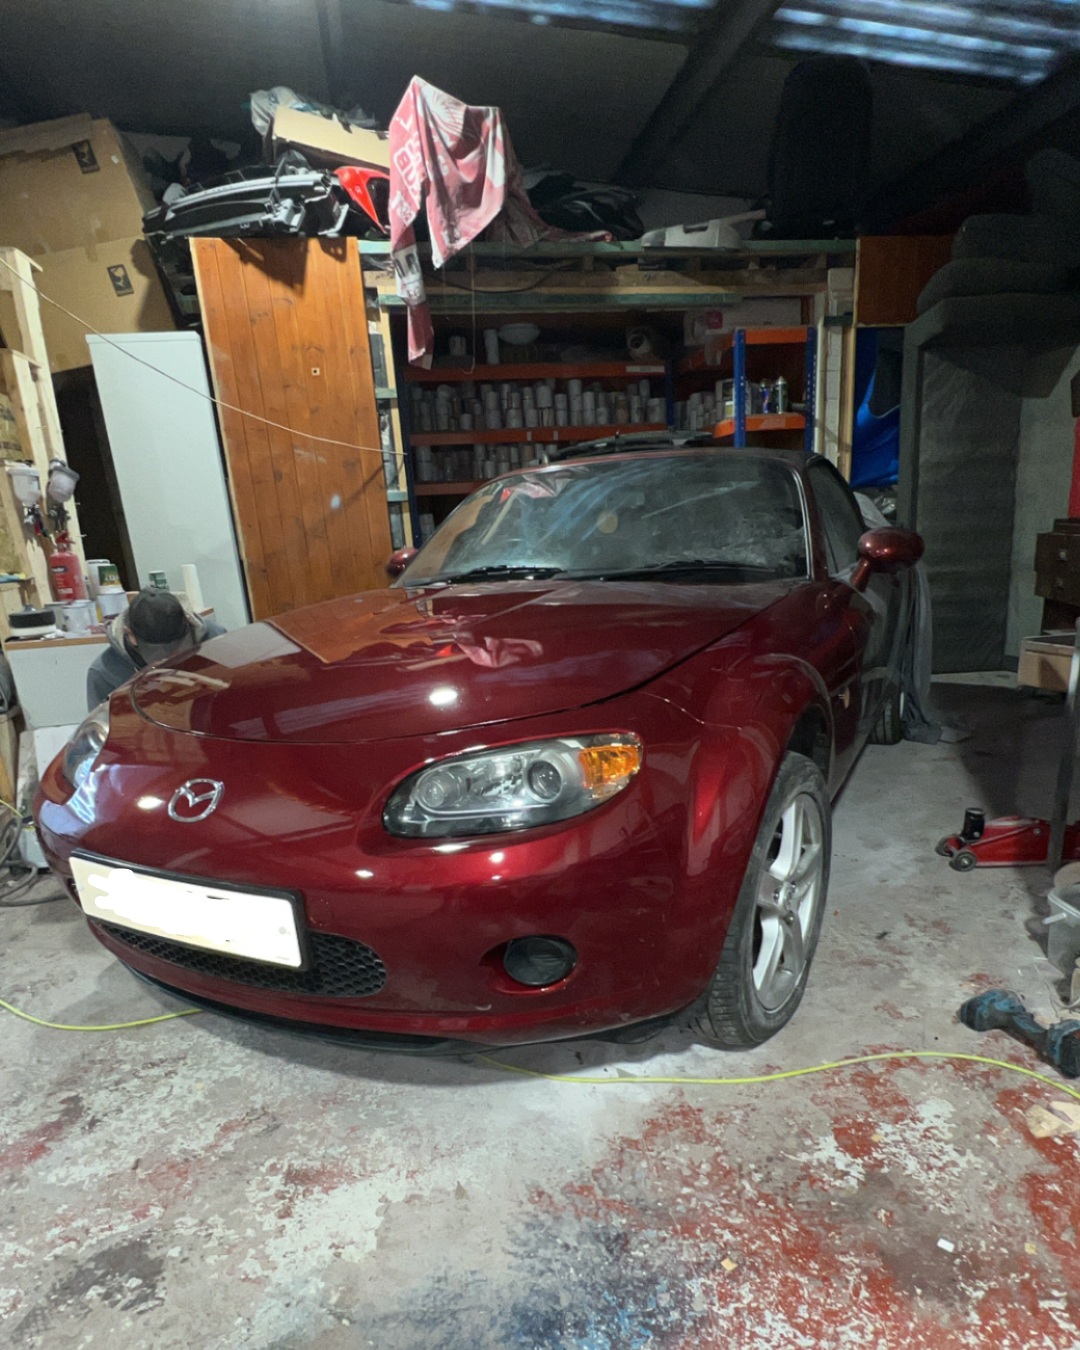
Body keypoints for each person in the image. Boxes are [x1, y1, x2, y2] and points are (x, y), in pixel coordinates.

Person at [86, 588, 225, 709]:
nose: (170, 659)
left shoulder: (216, 639)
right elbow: (106, 727)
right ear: (131, 635)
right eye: (159, 656)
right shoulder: (104, 674)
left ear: (187, 620)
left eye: (178, 650)